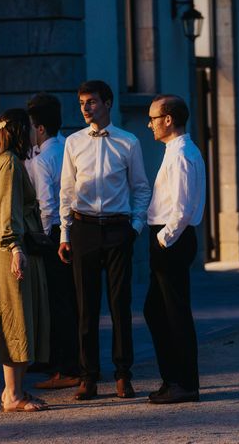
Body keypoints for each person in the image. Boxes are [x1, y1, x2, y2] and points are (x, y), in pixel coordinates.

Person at [59, 80, 151, 400]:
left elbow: (140, 187)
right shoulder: (72, 143)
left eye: (92, 102)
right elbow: (66, 191)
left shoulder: (129, 142)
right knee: (86, 307)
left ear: (108, 103)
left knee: (119, 305)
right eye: (82, 102)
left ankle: (123, 375)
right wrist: (65, 233)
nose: (86, 108)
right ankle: (89, 377)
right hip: (83, 229)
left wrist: (135, 227)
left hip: (117, 229)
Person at [0, 108, 50, 412]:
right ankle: (13, 393)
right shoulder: (9, 164)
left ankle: (14, 391)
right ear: (22, 130)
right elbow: (6, 208)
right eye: (32, 126)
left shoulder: (6, 162)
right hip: (11, 249)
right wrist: (15, 247)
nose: (35, 132)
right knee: (14, 315)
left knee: (21, 314)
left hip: (11, 245)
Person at [144, 94, 206, 404]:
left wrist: (163, 238)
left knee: (174, 313)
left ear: (168, 120)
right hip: (170, 238)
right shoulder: (177, 151)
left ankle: (184, 384)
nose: (150, 124)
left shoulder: (181, 154)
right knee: (157, 311)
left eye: (154, 118)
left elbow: (182, 208)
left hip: (172, 239)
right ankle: (173, 380)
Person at [26, 93, 80, 390]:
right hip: (76, 228)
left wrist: (45, 236)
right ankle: (74, 362)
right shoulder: (70, 147)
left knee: (57, 303)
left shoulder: (42, 159)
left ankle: (64, 367)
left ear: (40, 128)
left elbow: (47, 204)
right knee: (72, 301)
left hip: (55, 233)